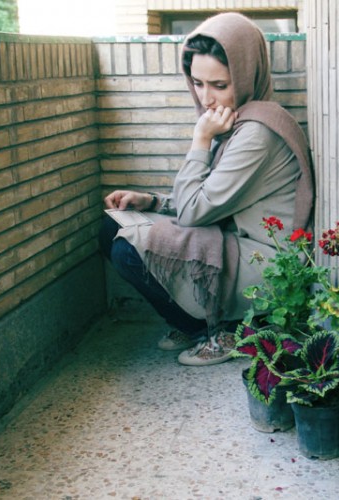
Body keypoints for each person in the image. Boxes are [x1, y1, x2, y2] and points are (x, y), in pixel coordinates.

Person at [100, 12, 314, 366]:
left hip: (264, 263)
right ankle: (189, 324)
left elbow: (193, 212)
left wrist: (200, 139)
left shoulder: (257, 132)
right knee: (112, 227)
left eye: (219, 85)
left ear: (245, 75)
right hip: (232, 241)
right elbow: (210, 198)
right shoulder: (238, 121)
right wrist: (151, 201)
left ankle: (217, 332)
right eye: (198, 83)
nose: (207, 98)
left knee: (127, 250)